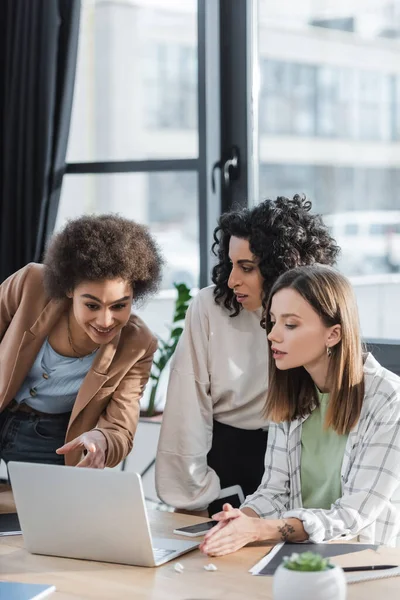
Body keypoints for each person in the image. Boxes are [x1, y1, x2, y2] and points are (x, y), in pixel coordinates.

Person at [156, 195, 340, 516]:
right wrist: (195, 494)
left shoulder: (318, 313)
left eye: (247, 268)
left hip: (298, 460)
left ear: (280, 267)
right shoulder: (209, 307)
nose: (231, 280)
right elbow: (187, 410)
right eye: (230, 264)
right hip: (224, 462)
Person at [200, 265, 400, 555]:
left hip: (364, 560)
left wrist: (260, 530)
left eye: (290, 325)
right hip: (299, 557)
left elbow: (354, 515)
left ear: (333, 334)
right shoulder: (291, 392)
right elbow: (274, 491)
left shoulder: (388, 400)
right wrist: (241, 520)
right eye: (272, 322)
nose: (273, 335)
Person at [0, 214, 163, 468]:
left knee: (37, 508)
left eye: (119, 305)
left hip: (50, 439)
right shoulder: (30, 284)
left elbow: (120, 428)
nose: (105, 320)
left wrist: (101, 438)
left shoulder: (139, 344)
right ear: (68, 289)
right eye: (91, 305)